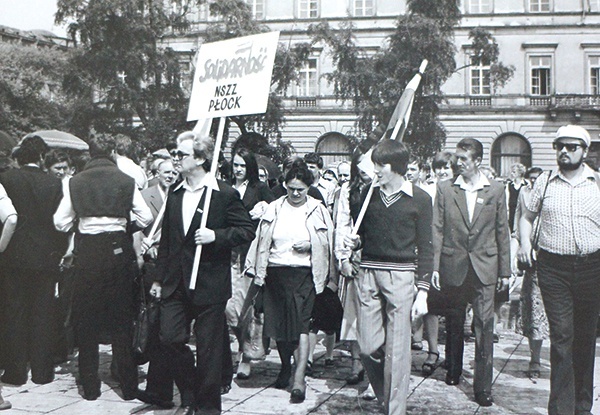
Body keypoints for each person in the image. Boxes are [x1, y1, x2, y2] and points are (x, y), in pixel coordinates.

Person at [147, 132, 255, 415]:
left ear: (200, 158)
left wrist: (215, 236)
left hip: (209, 283)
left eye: (181, 155)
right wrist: (159, 278)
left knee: (209, 352)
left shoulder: (223, 194)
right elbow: (169, 241)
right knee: (169, 339)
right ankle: (190, 391)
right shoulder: (176, 193)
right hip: (175, 284)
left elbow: (247, 230)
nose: (175, 159)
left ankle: (207, 409)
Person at [53, 133, 153, 401]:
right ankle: (129, 387)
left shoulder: (76, 182)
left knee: (87, 321)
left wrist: (81, 223)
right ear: (111, 152)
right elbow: (147, 216)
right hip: (118, 252)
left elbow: (60, 222)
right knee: (122, 321)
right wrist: (122, 225)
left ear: (89, 154)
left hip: (89, 255)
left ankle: (91, 387)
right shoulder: (126, 180)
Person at [344, 139, 432, 415]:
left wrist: (423, 290)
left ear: (395, 167)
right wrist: (353, 243)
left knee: (397, 351)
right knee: (368, 347)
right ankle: (387, 398)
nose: (375, 171)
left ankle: (395, 410)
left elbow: (428, 247)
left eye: (380, 165)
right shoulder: (366, 196)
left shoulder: (420, 199)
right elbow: (363, 235)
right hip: (368, 273)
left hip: (402, 276)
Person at [518, 125, 600, 415]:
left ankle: (582, 406)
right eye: (559, 146)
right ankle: (561, 410)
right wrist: (524, 244)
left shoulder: (597, 183)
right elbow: (527, 217)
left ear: (585, 151)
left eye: (572, 146)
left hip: (592, 268)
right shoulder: (545, 182)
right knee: (562, 338)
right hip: (553, 269)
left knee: (585, 338)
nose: (564, 151)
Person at [245, 163, 334, 404]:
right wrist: (255, 271)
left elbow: (329, 243)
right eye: (292, 188)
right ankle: (286, 368)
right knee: (280, 329)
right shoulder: (274, 208)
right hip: (276, 272)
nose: (296, 194)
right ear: (285, 186)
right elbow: (261, 241)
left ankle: (299, 378)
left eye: (301, 190)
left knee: (301, 327)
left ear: (309, 188)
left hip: (305, 275)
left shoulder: (317, 210)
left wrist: (311, 245)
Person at [431, 138, 510, 407]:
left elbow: (502, 231)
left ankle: (482, 387)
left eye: (464, 159)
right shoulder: (445, 189)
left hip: (485, 267)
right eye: (457, 158)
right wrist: (435, 266)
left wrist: (506, 270)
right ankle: (452, 370)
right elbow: (437, 229)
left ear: (477, 161)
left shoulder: (495, 190)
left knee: (483, 326)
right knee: (454, 321)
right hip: (454, 265)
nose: (458, 163)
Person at [0, 135, 68, 386]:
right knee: (43, 313)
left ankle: (16, 371)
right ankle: (42, 372)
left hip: (13, 257)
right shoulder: (53, 183)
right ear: (41, 158)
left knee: (14, 312)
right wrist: (58, 252)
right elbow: (60, 224)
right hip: (46, 258)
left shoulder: (6, 179)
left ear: (19, 158)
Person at [225, 147, 274, 382]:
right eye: (235, 165)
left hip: (248, 254)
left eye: (242, 165)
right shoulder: (225, 188)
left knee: (244, 306)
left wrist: (263, 211)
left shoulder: (259, 189)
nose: (238, 170)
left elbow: (276, 212)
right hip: (225, 253)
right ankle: (240, 344)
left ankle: (245, 355)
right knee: (228, 308)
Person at [332, 142, 375, 395]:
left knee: (374, 319)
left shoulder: (383, 190)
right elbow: (343, 224)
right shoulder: (348, 191)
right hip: (356, 257)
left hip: (377, 258)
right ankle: (356, 362)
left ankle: (373, 373)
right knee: (355, 315)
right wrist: (343, 258)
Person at [513, 166, 548, 379]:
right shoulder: (524, 195)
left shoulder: (551, 194)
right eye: (531, 179)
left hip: (553, 257)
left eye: (537, 179)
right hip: (532, 259)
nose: (534, 182)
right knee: (534, 313)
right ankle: (535, 359)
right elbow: (519, 220)